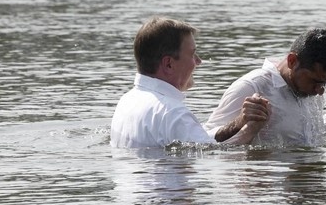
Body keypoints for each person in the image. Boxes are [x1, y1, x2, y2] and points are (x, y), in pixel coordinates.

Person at [110, 17, 271, 148]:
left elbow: (198, 139)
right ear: (169, 64)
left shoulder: (127, 101)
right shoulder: (172, 113)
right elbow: (214, 157)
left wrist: (239, 122)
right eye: (193, 54)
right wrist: (251, 129)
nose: (199, 61)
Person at [203, 28, 326, 146]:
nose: (320, 91)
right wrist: (239, 122)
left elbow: (309, 136)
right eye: (315, 81)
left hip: (307, 180)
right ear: (292, 61)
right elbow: (200, 141)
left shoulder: (309, 89)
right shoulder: (252, 87)